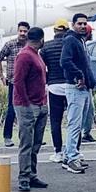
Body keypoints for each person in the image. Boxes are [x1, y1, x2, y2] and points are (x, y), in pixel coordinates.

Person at [13, 27, 48, 192]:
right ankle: (24, 177)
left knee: (36, 142)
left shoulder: (35, 54)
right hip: (28, 105)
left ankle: (31, 174)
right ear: (41, 39)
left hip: (39, 103)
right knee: (27, 142)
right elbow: (18, 81)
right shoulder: (25, 55)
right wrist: (26, 103)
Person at [60, 14, 95, 174]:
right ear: (73, 24)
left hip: (84, 87)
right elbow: (65, 61)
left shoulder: (79, 40)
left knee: (79, 123)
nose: (82, 26)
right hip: (76, 87)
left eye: (84, 23)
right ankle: (72, 158)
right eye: (79, 23)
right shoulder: (70, 40)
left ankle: (69, 155)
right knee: (75, 124)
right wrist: (79, 75)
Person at [40, 19, 69, 163]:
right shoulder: (71, 45)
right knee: (74, 121)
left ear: (54, 31)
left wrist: (46, 80)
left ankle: (58, 151)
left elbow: (41, 68)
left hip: (54, 86)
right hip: (71, 85)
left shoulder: (46, 47)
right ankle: (73, 150)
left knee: (56, 121)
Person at [0, 22, 30, 147]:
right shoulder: (10, 44)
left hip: (28, 83)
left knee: (29, 110)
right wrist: (1, 77)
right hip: (14, 82)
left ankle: (27, 137)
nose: (22, 33)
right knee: (11, 109)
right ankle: (7, 137)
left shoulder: (30, 45)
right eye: (20, 31)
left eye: (25, 31)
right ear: (17, 31)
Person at [81, 24, 96, 143]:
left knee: (89, 110)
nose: (92, 34)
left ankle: (86, 133)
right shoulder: (81, 46)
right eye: (91, 32)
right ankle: (83, 133)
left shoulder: (84, 45)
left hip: (87, 83)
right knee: (86, 110)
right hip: (83, 83)